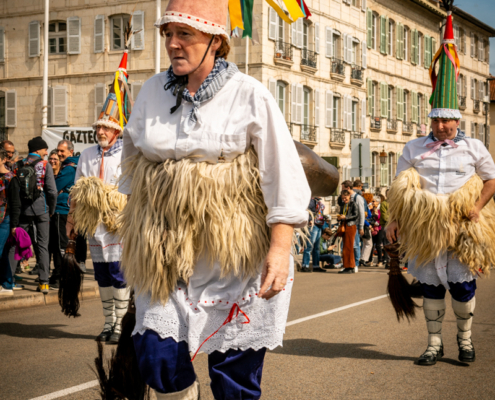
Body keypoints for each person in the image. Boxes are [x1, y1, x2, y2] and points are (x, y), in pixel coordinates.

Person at [114, 1, 311, 398]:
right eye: (168, 34)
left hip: (234, 255)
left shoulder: (249, 94)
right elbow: (131, 163)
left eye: (185, 33)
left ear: (216, 41)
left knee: (233, 375)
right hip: (166, 252)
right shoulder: (152, 90)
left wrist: (280, 248)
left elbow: (282, 172)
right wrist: (129, 227)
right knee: (157, 357)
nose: (173, 43)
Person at [386, 6, 495, 367]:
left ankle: (465, 341)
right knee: (431, 287)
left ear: (457, 119)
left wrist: (477, 207)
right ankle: (434, 344)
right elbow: (400, 187)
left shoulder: (473, 147)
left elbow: (491, 179)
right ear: (431, 119)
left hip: (463, 225)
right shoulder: (414, 147)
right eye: (437, 120)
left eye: (448, 120)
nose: (442, 126)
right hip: (425, 228)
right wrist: (394, 219)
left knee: (463, 288)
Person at [67, 60, 130, 343]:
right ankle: (108, 322)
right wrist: (74, 218)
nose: (100, 132)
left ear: (116, 129)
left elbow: (132, 188)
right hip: (95, 226)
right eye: (98, 128)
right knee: (101, 273)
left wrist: (114, 201)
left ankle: (120, 325)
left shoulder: (126, 153)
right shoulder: (87, 155)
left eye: (105, 128)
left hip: (118, 224)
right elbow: (77, 189)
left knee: (119, 272)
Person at [13, 137, 57, 294]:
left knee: (15, 243)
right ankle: (44, 282)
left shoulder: (18, 164)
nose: (46, 152)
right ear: (38, 150)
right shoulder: (45, 165)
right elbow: (51, 191)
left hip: (23, 210)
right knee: (43, 245)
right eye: (45, 149)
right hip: (41, 210)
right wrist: (51, 210)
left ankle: (9, 279)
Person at [48, 141, 79, 288]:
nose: (59, 154)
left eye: (62, 151)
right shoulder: (73, 166)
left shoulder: (68, 169)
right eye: (58, 151)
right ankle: (60, 274)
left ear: (71, 152)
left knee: (60, 245)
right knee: (61, 244)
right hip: (65, 210)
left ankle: (60, 276)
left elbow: (53, 187)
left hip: (62, 211)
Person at [0, 149, 22, 295]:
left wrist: (14, 224)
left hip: (4, 220)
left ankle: (7, 283)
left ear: (3, 159)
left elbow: (15, 203)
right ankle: (8, 283)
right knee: (2, 253)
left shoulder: (11, 178)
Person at [301, 196, 325, 272]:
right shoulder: (311, 201)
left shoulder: (318, 202)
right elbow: (307, 210)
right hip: (313, 225)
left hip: (319, 225)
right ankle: (305, 265)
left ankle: (316, 265)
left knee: (316, 248)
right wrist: (310, 220)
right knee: (309, 246)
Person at [337, 190, 358, 274]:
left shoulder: (353, 204)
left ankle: (350, 266)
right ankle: (347, 266)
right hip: (345, 225)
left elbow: (356, 215)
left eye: (345, 198)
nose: (344, 200)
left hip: (351, 225)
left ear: (349, 196)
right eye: (343, 198)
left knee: (349, 246)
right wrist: (339, 218)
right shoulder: (343, 205)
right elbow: (341, 214)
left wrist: (345, 217)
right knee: (345, 247)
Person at [351, 180, 366, 272]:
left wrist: (361, 226)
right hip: (350, 224)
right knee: (352, 245)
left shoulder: (358, 197)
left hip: (355, 224)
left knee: (356, 244)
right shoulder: (350, 197)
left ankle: (356, 263)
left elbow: (361, 212)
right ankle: (351, 263)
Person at [377, 192, 390, 267]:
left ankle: (393, 261)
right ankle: (388, 261)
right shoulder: (384, 204)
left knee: (394, 244)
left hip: (396, 225)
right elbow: (385, 216)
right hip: (386, 225)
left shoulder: (396, 203)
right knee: (388, 243)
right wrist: (394, 221)